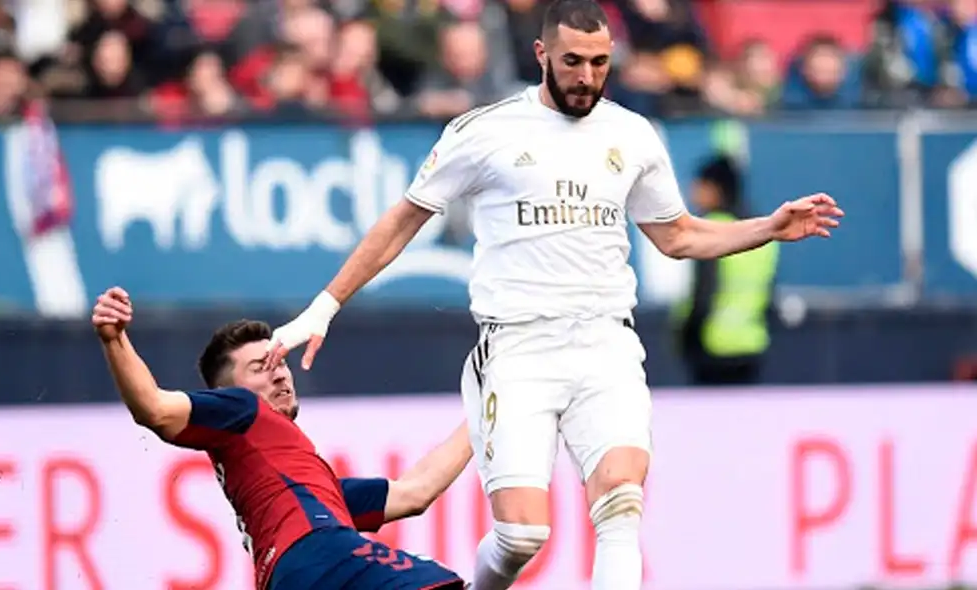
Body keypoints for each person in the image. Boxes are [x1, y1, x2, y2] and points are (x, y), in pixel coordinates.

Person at [264, 1, 844, 588]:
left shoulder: (632, 135)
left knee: (620, 507)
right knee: (522, 537)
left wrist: (768, 227)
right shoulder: (486, 131)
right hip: (519, 347)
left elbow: (677, 235)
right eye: (572, 61)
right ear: (541, 54)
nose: (587, 76)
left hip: (606, 341)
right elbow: (403, 221)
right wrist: (325, 306)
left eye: (599, 62)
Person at [91, 286, 472, 590]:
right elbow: (154, 408)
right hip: (319, 558)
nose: (278, 373)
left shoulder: (306, 492)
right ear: (226, 393)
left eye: (280, 361)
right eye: (260, 367)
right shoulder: (243, 408)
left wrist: (488, 415)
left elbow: (415, 492)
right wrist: (114, 339)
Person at [673, 155, 779, 385]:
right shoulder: (763, 233)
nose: (693, 193)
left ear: (716, 188)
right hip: (752, 345)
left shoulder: (714, 227)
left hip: (712, 349)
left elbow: (703, 293)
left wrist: (686, 338)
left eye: (699, 186)